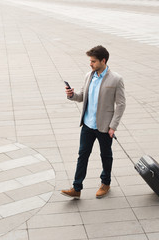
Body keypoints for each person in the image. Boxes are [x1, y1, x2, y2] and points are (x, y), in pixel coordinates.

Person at [61, 45, 126, 199]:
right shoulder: (88, 75)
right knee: (82, 155)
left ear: (103, 61)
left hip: (104, 127)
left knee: (106, 156)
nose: (90, 64)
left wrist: (113, 126)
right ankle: (76, 188)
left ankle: (106, 183)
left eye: (93, 61)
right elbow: (82, 96)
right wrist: (72, 95)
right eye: (90, 61)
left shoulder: (116, 79)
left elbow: (121, 104)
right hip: (87, 125)